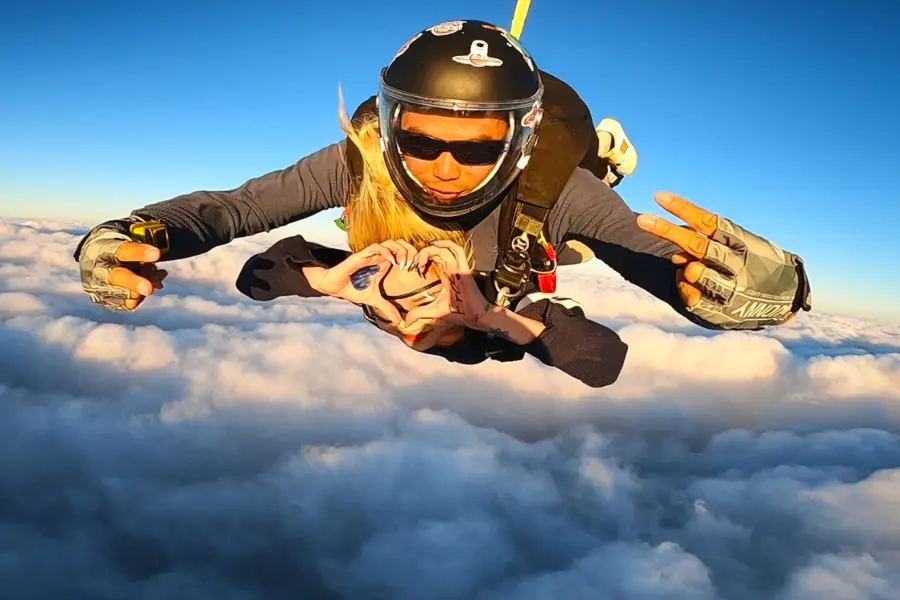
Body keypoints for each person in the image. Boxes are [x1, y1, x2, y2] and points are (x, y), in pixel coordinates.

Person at [74, 19, 812, 336]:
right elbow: (233, 210)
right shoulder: (359, 166)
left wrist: (775, 290)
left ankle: (599, 151)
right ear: (389, 127)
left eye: (476, 147)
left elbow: (651, 256)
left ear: (519, 142)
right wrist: (138, 233)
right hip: (450, 273)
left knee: (572, 242)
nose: (445, 168)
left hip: (509, 265)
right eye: (420, 139)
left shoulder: (551, 188)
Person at [236, 233, 629, 388]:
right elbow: (255, 278)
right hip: (485, 331)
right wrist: (321, 282)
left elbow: (602, 365)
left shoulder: (505, 301)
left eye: (421, 301)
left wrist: (491, 315)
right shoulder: (370, 281)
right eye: (385, 309)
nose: (404, 322)